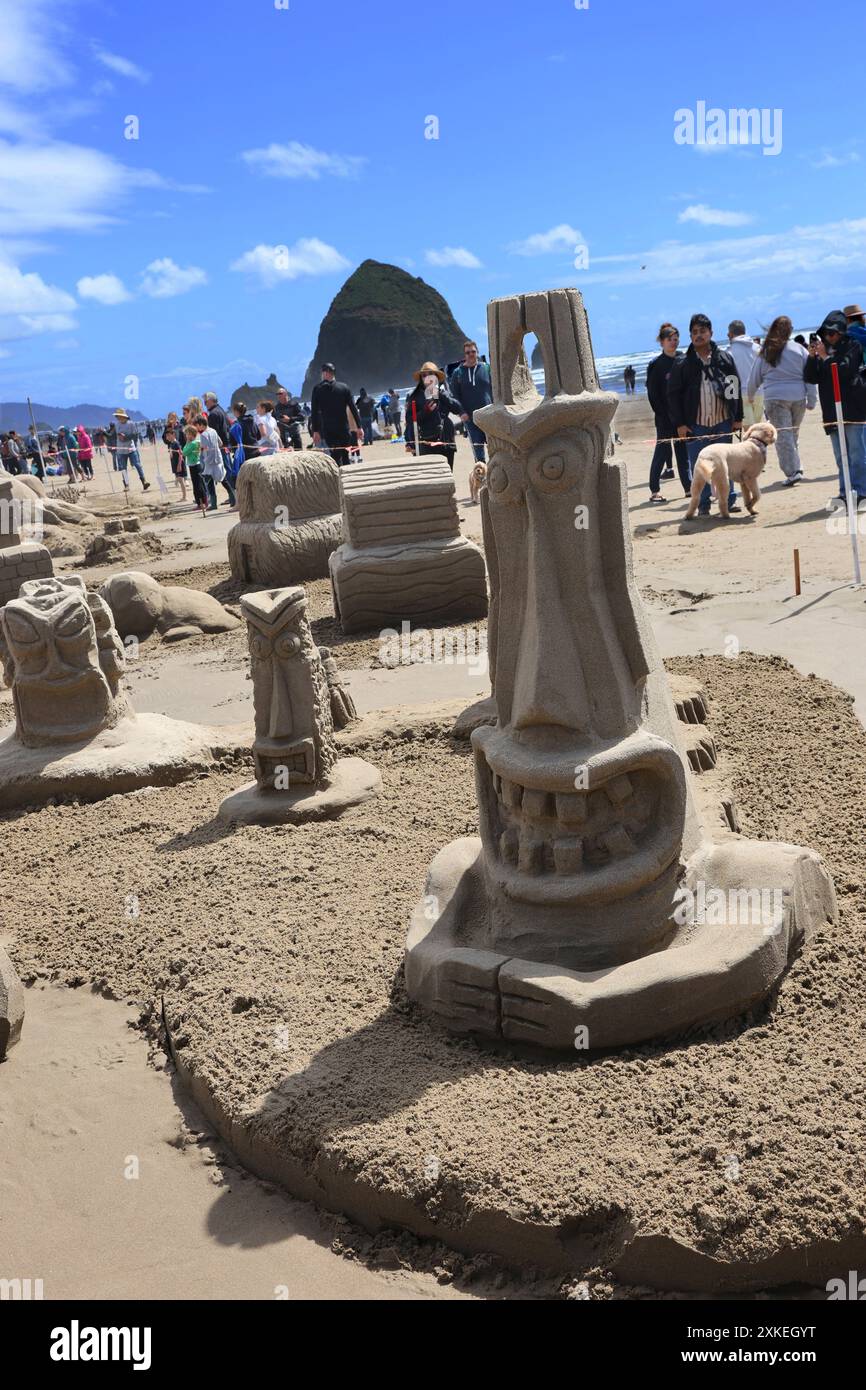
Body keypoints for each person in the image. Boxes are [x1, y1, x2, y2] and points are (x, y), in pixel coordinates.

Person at [667, 313, 743, 516]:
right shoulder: (682, 363)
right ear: (690, 336)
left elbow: (735, 386)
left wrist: (737, 417)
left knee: (725, 466)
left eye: (702, 331)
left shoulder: (724, 358)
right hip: (695, 424)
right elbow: (673, 395)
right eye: (694, 332)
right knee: (701, 468)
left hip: (723, 420)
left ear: (711, 333)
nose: (698, 335)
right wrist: (680, 424)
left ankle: (729, 500)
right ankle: (703, 505)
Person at [804, 310, 866, 513]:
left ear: (840, 332)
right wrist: (813, 357)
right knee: (841, 455)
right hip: (831, 410)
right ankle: (845, 491)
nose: (829, 338)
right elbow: (811, 377)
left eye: (833, 333)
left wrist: (825, 358)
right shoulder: (823, 350)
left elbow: (844, 371)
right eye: (826, 334)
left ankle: (860, 491)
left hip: (853, 407)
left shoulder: (852, 345)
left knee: (857, 452)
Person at [746, 316, 816, 486]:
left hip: (775, 398)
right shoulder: (800, 350)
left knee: (784, 436)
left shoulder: (766, 352)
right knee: (792, 434)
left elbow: (754, 376)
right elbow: (810, 376)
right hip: (798, 397)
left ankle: (793, 471)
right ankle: (795, 467)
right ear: (790, 330)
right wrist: (812, 399)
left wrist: (750, 394)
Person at [645, 323, 690, 501]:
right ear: (662, 342)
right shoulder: (656, 365)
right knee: (662, 453)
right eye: (669, 339)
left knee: (683, 454)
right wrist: (664, 415)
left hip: (681, 417)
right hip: (664, 418)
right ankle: (654, 491)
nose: (673, 342)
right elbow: (653, 394)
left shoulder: (683, 359)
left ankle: (688, 488)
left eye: (675, 338)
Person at [404, 362, 462, 471]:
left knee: (448, 475)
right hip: (426, 441)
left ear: (436, 376)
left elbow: (457, 408)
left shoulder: (443, 392)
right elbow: (409, 420)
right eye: (424, 375)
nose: (427, 377)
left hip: (446, 439)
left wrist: (440, 394)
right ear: (421, 378)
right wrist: (425, 411)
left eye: (431, 374)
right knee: (429, 477)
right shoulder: (415, 396)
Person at [310, 362, 362, 467]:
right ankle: (347, 478)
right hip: (343, 428)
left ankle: (339, 477)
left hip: (328, 429)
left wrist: (315, 431)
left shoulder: (317, 389)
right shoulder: (344, 387)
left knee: (335, 455)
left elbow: (314, 412)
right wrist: (359, 427)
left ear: (325, 373)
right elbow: (353, 408)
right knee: (345, 454)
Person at [449, 341, 493, 462]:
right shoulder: (457, 373)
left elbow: (495, 389)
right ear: (464, 355)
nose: (471, 354)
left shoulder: (486, 368)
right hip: (470, 418)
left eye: (473, 351)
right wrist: (461, 412)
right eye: (468, 352)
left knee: (495, 450)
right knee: (479, 455)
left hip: (489, 416)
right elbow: (454, 396)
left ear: (477, 352)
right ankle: (482, 480)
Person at [195, 413, 235, 509]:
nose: (197, 428)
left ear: (201, 424)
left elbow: (203, 448)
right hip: (218, 459)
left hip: (209, 461)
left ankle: (213, 504)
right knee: (223, 480)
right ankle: (233, 499)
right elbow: (220, 443)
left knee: (209, 483)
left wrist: (200, 449)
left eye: (197, 426)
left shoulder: (203, 435)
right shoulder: (213, 431)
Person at [727, 321, 762, 427]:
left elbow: (730, 378)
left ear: (731, 334)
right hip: (759, 391)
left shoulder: (729, 352)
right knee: (756, 427)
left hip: (742, 393)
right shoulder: (758, 348)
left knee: (750, 430)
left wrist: (730, 400)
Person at [112, 409, 150, 490]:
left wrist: (126, 437)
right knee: (123, 468)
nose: (118, 418)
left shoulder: (131, 424)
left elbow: (135, 434)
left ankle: (144, 482)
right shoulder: (117, 424)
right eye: (117, 417)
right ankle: (126, 485)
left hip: (131, 448)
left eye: (119, 416)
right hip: (121, 450)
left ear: (124, 416)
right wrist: (121, 437)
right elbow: (117, 435)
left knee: (137, 465)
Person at [183, 425, 207, 516]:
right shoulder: (197, 442)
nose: (186, 436)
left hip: (194, 465)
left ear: (191, 434)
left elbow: (184, 452)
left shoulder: (193, 443)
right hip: (196, 464)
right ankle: (203, 502)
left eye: (187, 434)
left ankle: (200, 503)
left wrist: (187, 443)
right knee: (199, 484)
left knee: (197, 486)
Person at [162, 413, 187, 501]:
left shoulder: (179, 427)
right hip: (174, 454)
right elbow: (165, 438)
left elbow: (183, 438)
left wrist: (180, 464)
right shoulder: (167, 428)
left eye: (173, 417)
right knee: (178, 477)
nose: (172, 419)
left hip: (179, 453)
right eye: (170, 417)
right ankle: (177, 480)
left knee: (181, 477)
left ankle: (184, 496)